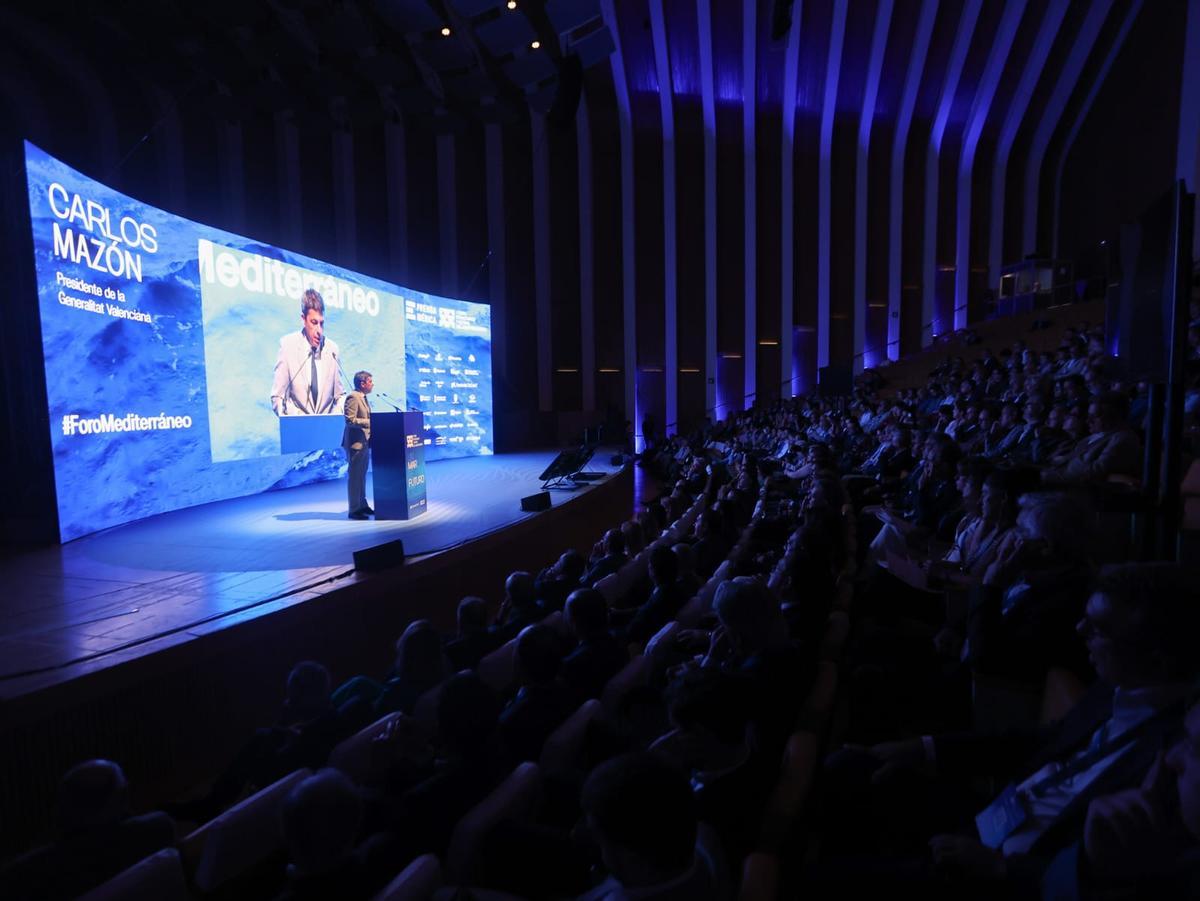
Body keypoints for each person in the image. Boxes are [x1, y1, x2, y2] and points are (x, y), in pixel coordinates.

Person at [271, 289, 346, 416]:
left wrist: (332, 418)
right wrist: (300, 419)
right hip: (298, 431)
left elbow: (340, 396)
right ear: (303, 319)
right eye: (314, 322)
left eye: (322, 323)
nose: (319, 330)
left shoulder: (332, 349)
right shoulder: (287, 346)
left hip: (327, 432)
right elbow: (277, 398)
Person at [343, 370, 373, 519]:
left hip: (364, 442)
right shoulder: (353, 397)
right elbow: (350, 420)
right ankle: (354, 510)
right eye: (370, 382)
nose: (372, 384)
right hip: (356, 443)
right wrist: (370, 422)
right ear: (362, 383)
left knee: (361, 476)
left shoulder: (363, 397)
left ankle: (362, 505)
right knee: (355, 477)